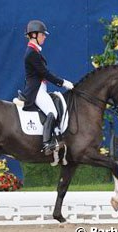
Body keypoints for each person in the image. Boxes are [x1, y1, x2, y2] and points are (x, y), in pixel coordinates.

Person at [22, 19, 74, 155]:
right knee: (52, 112)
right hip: (36, 90)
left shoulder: (35, 51)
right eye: (42, 34)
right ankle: (47, 144)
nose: (44, 37)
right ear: (34, 35)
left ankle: (55, 136)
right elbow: (45, 73)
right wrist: (63, 83)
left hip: (40, 88)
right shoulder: (31, 53)